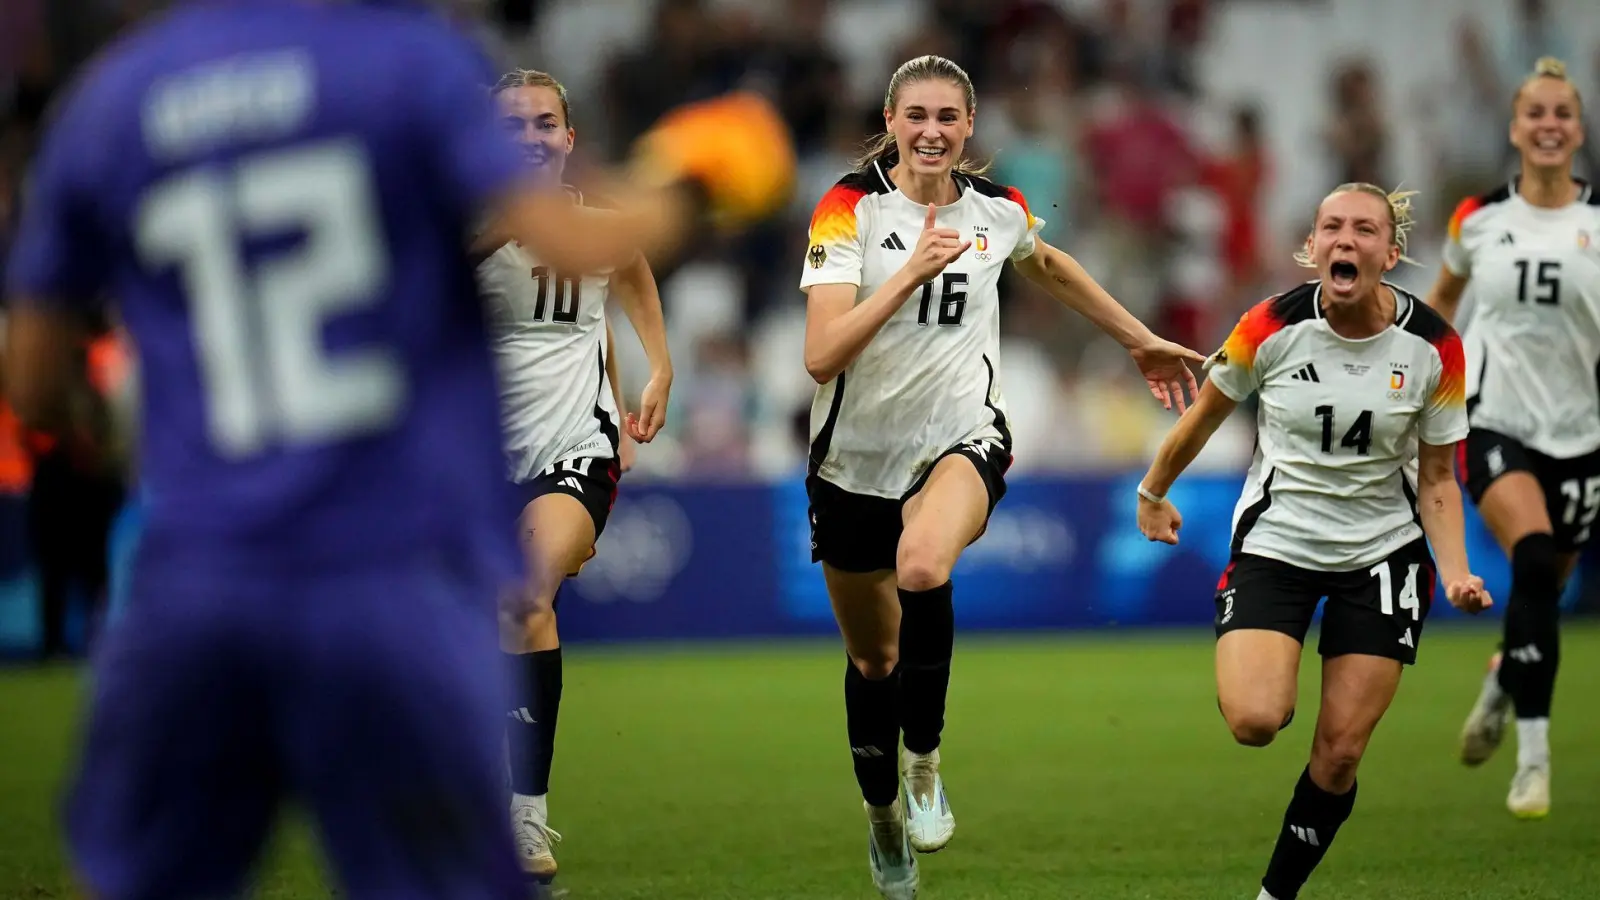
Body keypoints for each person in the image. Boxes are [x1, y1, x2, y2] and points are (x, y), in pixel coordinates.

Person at [1, 1, 793, 897]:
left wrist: (110, 433)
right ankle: (515, 812)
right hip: (377, 572)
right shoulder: (403, 64)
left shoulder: (112, 99)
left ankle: (528, 806)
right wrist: (700, 173)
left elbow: (32, 381)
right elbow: (582, 239)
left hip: (193, 583)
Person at [799, 54, 1203, 900]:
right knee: (874, 662)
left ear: (970, 125)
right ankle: (881, 822)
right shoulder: (849, 211)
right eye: (916, 115)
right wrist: (909, 270)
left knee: (923, 566)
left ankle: (925, 764)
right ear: (891, 118)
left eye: (948, 116)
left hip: (961, 434)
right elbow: (822, 354)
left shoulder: (999, 210)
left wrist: (1138, 338)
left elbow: (1046, 263)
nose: (932, 131)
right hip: (851, 464)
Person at [1136, 183, 1492, 900]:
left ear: (1390, 254)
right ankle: (1272, 656)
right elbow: (1204, 418)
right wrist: (1152, 491)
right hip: (1279, 545)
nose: (1345, 240)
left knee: (1339, 753)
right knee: (1256, 720)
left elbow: (1437, 479)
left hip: (1382, 554)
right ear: (1312, 246)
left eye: (1364, 230)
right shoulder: (1268, 326)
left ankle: (1275, 895)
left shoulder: (1434, 348)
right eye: (1332, 227)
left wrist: (1453, 571)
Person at [477, 68, 672, 883]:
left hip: (575, 450)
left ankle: (527, 820)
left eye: (545, 124)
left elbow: (629, 266)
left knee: (524, 597)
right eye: (513, 127)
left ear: (569, 138)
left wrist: (659, 364)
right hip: (471, 462)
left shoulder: (593, 221)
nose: (532, 139)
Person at [1425, 56, 1600, 820]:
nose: (1550, 125)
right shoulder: (1478, 219)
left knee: (1545, 588)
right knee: (1532, 558)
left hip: (1582, 433)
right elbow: (1441, 307)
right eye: (1537, 113)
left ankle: (1503, 678)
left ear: (1580, 129)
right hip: (1494, 418)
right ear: (1515, 128)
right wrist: (1411, 386)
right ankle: (1533, 761)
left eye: (1563, 113)